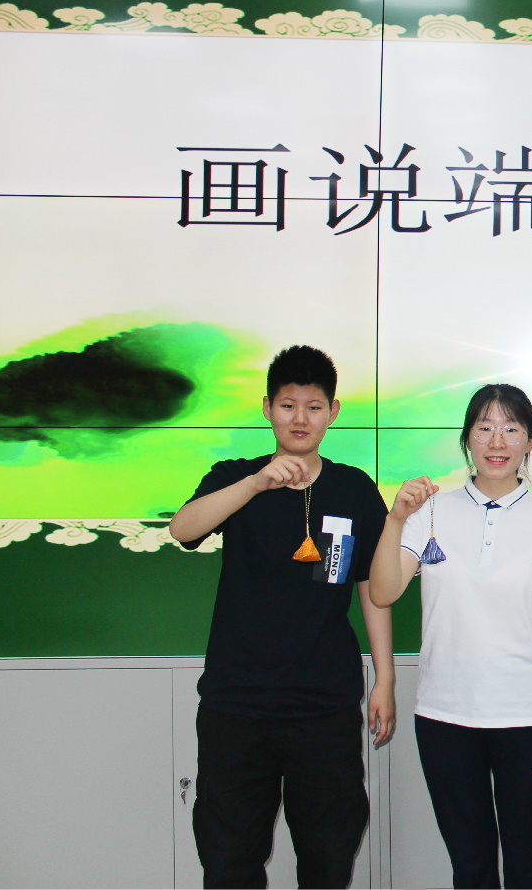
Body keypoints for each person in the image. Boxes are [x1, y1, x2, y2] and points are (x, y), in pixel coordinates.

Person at [169, 345, 394, 889]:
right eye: (288, 405)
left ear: (332, 412)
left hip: (325, 706)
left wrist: (384, 679)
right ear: (267, 407)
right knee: (229, 860)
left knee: (329, 857)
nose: (300, 418)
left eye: (313, 407)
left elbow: (372, 588)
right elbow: (183, 529)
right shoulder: (235, 476)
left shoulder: (354, 488)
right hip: (236, 706)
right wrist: (257, 483)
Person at [366, 383, 532, 889]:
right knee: (470, 867)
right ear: (467, 438)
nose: (497, 441)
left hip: (528, 717)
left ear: (530, 440)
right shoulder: (430, 512)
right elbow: (382, 592)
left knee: (527, 866)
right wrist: (397, 518)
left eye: (511, 428)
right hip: (445, 716)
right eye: (485, 428)